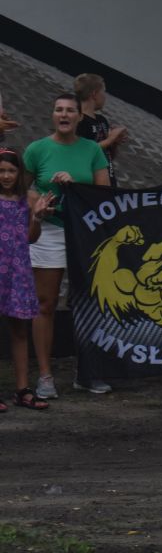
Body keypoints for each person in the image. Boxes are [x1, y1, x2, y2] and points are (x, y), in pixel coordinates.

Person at [23, 94, 110, 397]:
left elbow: (104, 195)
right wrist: (39, 204)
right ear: (53, 115)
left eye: (70, 110)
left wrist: (75, 186)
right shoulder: (37, 149)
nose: (64, 114)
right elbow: (20, 189)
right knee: (45, 304)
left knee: (89, 303)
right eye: (58, 109)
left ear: (79, 117)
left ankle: (88, 373)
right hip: (48, 232)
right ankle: (45, 376)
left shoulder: (93, 150)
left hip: (84, 233)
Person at [0, 148, 56, 411]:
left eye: (11, 171)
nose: (6, 176)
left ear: (19, 173)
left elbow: (31, 238)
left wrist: (36, 217)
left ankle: (22, 390)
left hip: (18, 271)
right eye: (1, 171)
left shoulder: (29, 198)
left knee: (19, 330)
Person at [74, 74, 128, 187]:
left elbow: (108, 156)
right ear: (94, 94)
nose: (105, 97)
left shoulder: (102, 120)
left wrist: (114, 143)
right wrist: (110, 139)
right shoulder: (78, 121)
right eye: (104, 92)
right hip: (90, 186)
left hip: (108, 183)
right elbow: (82, 153)